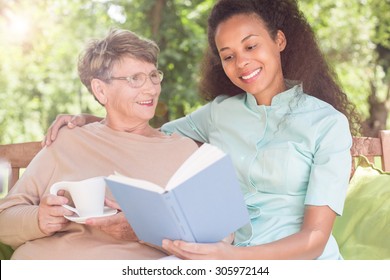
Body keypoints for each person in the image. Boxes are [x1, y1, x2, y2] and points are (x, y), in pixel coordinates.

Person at [42, 0, 361, 259]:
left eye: (251, 46)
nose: (242, 63)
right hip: (216, 259)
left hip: (296, 265)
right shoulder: (219, 112)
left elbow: (315, 239)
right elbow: (148, 132)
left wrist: (229, 258)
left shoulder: (327, 124)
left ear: (279, 40)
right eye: (229, 56)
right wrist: (92, 118)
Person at [0, 28, 199, 259]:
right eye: (135, 78)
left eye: (154, 75)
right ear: (101, 90)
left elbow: (214, 242)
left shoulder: (182, 151)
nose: (151, 88)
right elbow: (5, 220)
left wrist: (142, 230)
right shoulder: (69, 139)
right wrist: (39, 219)